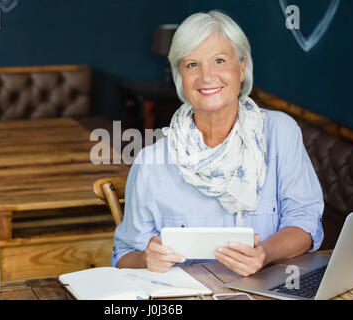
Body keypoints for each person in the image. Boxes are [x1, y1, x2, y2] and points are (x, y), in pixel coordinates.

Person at [111, 10, 324, 276]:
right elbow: (123, 256)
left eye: (219, 60)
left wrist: (264, 254)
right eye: (192, 65)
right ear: (180, 76)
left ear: (242, 67)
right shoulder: (150, 162)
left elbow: (305, 224)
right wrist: (145, 259)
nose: (207, 76)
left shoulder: (281, 132)